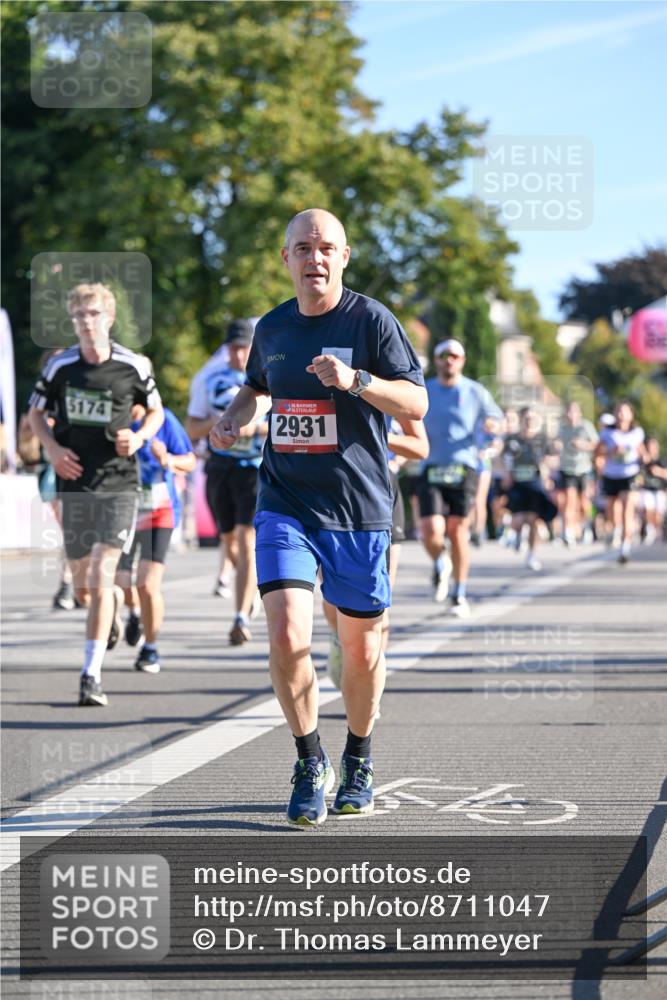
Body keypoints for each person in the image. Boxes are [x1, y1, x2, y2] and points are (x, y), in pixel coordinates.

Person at [210, 208, 427, 826]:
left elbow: (416, 400)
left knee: (359, 654)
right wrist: (237, 417)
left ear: (344, 256)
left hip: (358, 510)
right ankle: (310, 758)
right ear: (286, 259)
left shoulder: (371, 321)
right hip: (285, 500)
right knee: (285, 636)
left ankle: (359, 755)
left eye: (326, 247)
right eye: (302, 247)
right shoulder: (272, 327)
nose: (315, 257)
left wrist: (357, 381)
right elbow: (256, 387)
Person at [28, 282, 163, 706]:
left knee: (104, 577)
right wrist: (52, 449)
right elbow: (34, 411)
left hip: (120, 483)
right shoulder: (59, 367)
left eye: (93, 315)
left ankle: (91, 675)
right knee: (85, 587)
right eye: (79, 317)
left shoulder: (133, 365)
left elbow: (157, 411)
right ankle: (108, 619)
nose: (86, 324)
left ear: (109, 319)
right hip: (75, 482)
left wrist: (139, 438)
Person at [324, 414, 429, 687]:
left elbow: (419, 448)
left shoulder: (391, 385)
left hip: (383, 489)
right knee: (330, 592)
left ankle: (369, 675)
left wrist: (375, 436)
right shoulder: (326, 379)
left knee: (380, 597)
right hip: (335, 488)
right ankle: (340, 637)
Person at [186, 320, 266, 645]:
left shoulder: (265, 382)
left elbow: (282, 425)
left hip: (253, 468)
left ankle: (240, 616)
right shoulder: (210, 380)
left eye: (244, 347)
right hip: (220, 468)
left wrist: (251, 428)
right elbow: (192, 428)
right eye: (233, 347)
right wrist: (222, 424)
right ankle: (251, 588)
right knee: (229, 541)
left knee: (247, 541)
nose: (238, 353)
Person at [418, 339, 502, 616]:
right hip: (431, 466)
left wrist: (492, 426)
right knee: (431, 531)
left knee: (457, 531)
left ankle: (459, 593)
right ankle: (440, 562)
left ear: (462, 360)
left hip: (464, 468)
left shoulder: (475, 391)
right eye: (444, 355)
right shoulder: (425, 389)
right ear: (437, 359)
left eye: (455, 355)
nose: (449, 360)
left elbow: (497, 421)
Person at [117, 406, 196, 673]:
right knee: (121, 582)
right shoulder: (112, 416)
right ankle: (135, 613)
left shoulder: (164, 418)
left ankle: (150, 647)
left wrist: (168, 461)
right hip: (122, 509)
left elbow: (190, 460)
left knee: (148, 584)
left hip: (159, 509)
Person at [502, 407, 558, 571]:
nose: (529, 422)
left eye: (533, 419)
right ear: (521, 420)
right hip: (518, 483)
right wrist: (507, 474)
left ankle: (532, 554)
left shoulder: (542, 439)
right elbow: (502, 459)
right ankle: (517, 534)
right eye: (526, 419)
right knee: (519, 519)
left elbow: (553, 460)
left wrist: (547, 470)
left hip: (535, 483)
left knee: (533, 519)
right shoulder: (512, 439)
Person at [596, 400, 647, 564]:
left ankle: (625, 548)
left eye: (624, 411)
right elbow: (599, 453)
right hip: (611, 474)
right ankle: (615, 530)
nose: (621, 414)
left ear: (631, 415)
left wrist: (645, 459)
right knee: (612, 511)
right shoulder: (607, 433)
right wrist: (611, 452)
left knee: (627, 511)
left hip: (630, 474)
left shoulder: (637, 432)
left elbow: (642, 452)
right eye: (618, 411)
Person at [555, 400, 598, 545]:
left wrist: (583, 445)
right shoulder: (562, 428)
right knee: (569, 501)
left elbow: (596, 445)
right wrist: (556, 446)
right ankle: (569, 532)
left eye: (574, 411)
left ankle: (586, 526)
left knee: (584, 503)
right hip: (567, 469)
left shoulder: (586, 426)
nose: (571, 415)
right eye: (568, 411)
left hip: (584, 469)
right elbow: (555, 444)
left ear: (579, 413)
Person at [638, 437, 667, 544]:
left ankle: (656, 529)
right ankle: (650, 528)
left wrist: (658, 472)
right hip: (647, 490)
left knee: (658, 512)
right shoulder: (643, 462)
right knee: (648, 507)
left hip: (659, 490)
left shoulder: (662, 461)